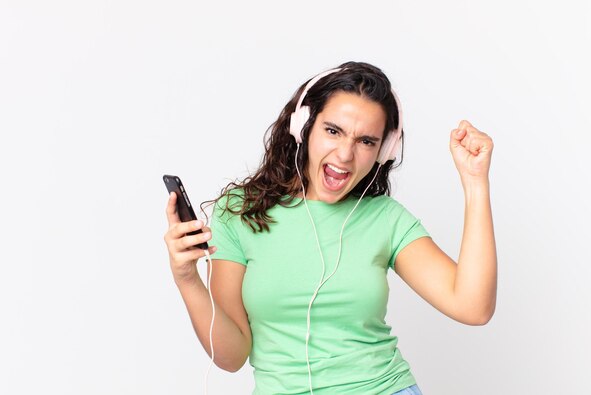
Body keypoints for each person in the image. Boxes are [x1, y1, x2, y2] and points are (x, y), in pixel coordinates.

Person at [163, 61, 497, 395]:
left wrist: (475, 183)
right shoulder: (240, 213)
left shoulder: (385, 218)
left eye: (366, 141)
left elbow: (472, 306)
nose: (345, 154)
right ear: (303, 127)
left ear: (384, 150)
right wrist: (188, 279)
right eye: (333, 131)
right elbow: (231, 356)